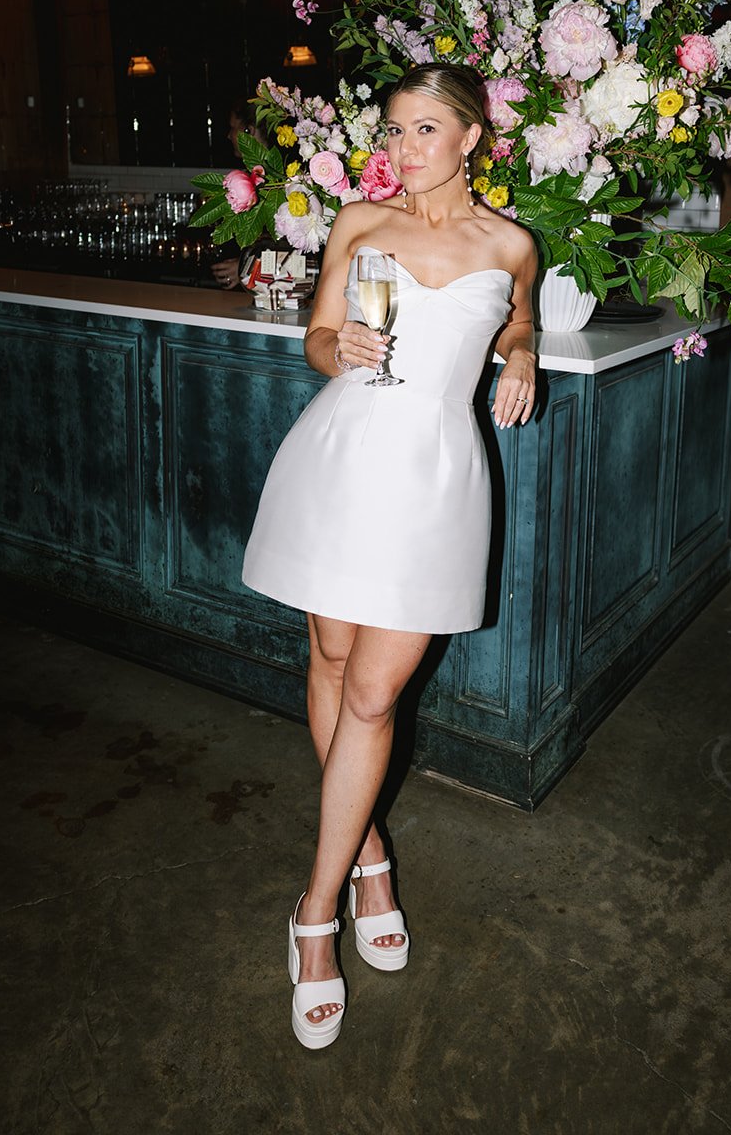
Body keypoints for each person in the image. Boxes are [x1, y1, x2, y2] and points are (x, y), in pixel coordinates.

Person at [241, 64, 538, 1049]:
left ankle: (311, 912)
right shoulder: (360, 225)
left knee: (374, 696)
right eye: (393, 131)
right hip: (339, 458)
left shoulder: (510, 243)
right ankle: (367, 861)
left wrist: (523, 351)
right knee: (331, 661)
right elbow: (319, 338)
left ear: (470, 137)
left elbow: (520, 313)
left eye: (424, 130)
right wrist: (340, 353)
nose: (403, 149)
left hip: (436, 479)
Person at [212, 103, 270, 290]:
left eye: (232, 128)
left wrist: (245, 268)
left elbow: (293, 253)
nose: (229, 135)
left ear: (249, 131)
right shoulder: (252, 177)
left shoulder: (278, 180)